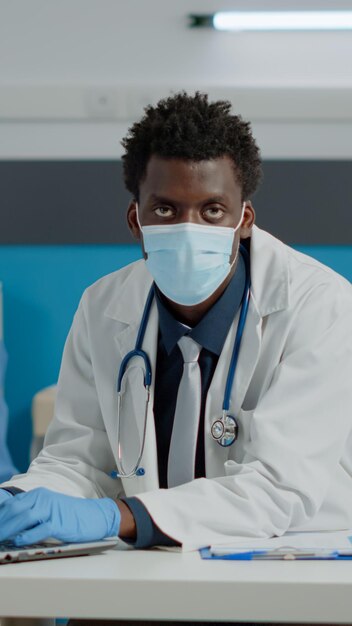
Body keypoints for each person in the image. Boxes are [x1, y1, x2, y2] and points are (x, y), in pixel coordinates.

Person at [0, 92, 351, 625]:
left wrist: (112, 516)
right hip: (147, 572)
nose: (190, 227)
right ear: (136, 219)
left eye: (213, 210)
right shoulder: (104, 307)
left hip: (287, 569)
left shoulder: (319, 306)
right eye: (166, 208)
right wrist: (22, 498)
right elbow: (78, 459)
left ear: (245, 219)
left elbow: (277, 490)